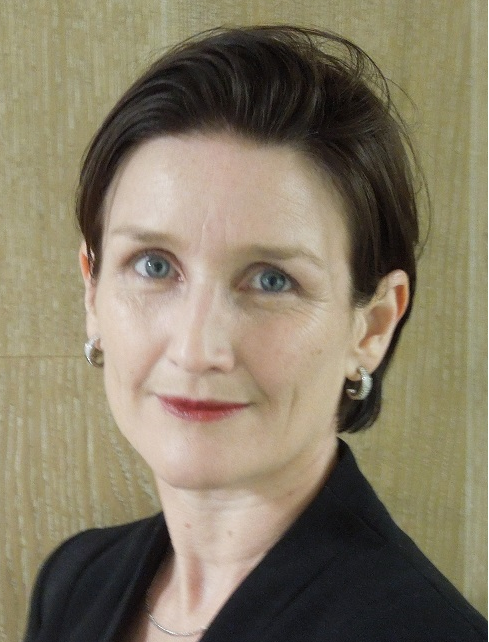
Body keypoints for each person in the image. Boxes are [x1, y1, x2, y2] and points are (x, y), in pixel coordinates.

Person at [23, 25, 486, 642]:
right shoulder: (76, 581)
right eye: (154, 266)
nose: (196, 349)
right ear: (92, 290)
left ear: (372, 326)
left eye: (271, 280)